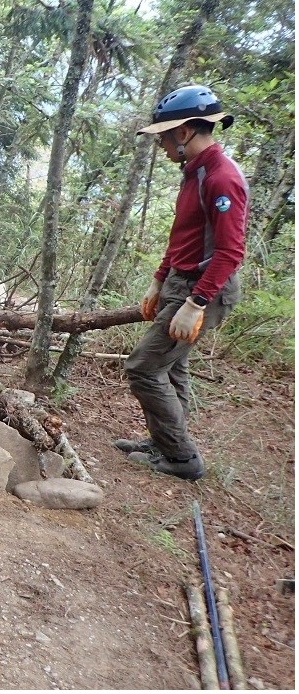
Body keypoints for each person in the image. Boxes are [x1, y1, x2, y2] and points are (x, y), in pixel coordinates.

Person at [113, 85, 248, 481]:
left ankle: (182, 459)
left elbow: (229, 252)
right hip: (180, 282)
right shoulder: (196, 173)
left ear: (185, 132)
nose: (160, 145)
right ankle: (163, 443)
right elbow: (183, 235)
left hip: (203, 289)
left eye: (163, 136)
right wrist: (158, 282)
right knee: (172, 369)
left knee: (142, 367)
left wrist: (196, 303)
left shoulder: (222, 179)